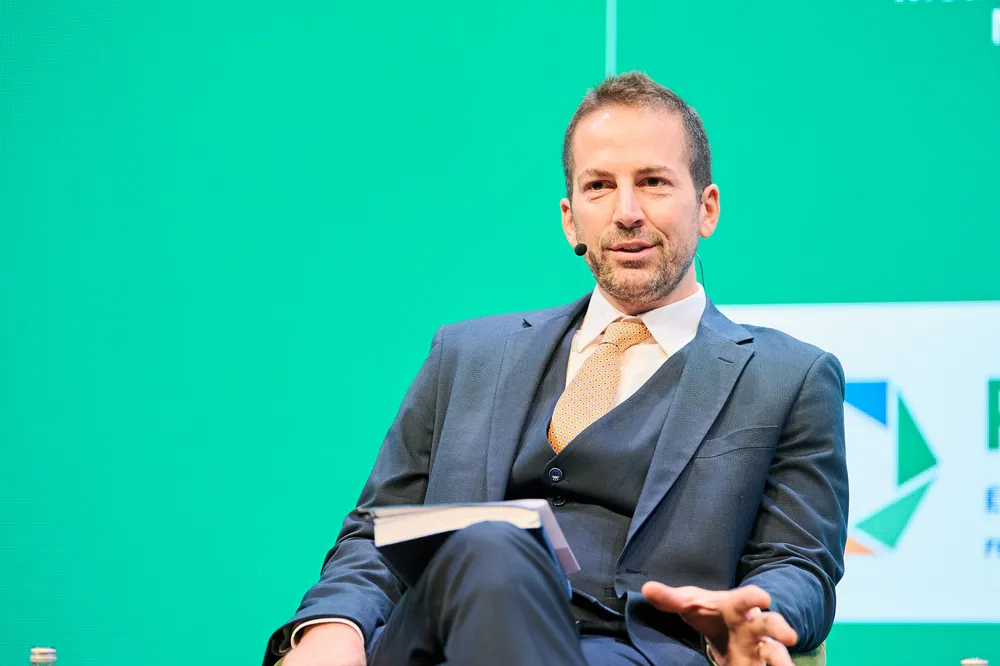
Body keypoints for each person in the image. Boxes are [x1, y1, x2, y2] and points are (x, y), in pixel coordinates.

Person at [263, 71, 849, 666]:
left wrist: (761, 617)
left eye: (653, 182)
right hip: (437, 641)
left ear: (707, 208)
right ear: (570, 219)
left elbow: (799, 562)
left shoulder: (789, 378)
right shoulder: (465, 355)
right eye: (600, 186)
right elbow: (378, 533)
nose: (627, 212)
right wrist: (332, 627)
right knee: (492, 546)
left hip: (635, 652)